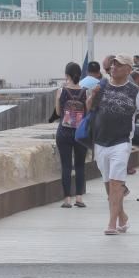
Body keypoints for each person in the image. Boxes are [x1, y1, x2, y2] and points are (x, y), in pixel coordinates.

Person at [87, 54, 139, 235]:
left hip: (121, 141)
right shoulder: (103, 85)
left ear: (128, 69)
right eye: (113, 64)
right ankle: (122, 216)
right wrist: (93, 95)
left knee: (115, 183)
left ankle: (112, 223)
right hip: (101, 141)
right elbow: (89, 107)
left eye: (119, 65)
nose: (114, 67)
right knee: (108, 185)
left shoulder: (134, 91)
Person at [54, 62, 88, 209]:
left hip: (64, 132)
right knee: (80, 166)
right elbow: (88, 112)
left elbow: (57, 112)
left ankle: (67, 200)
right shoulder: (86, 92)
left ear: (67, 75)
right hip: (80, 133)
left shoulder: (61, 91)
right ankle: (79, 198)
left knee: (66, 166)